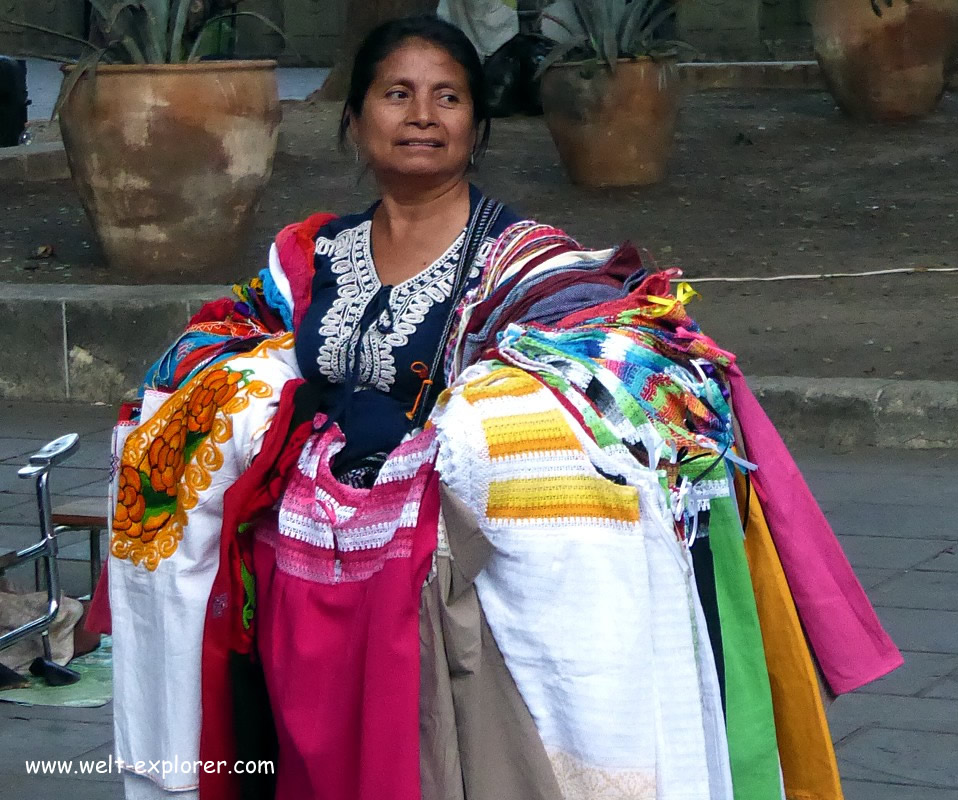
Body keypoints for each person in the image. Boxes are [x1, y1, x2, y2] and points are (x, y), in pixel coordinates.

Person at [93, 15, 901, 800]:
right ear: (355, 117)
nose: (421, 115)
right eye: (397, 93)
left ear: (477, 128)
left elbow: (613, 348)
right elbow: (218, 346)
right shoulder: (310, 255)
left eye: (448, 97)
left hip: (439, 574)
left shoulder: (521, 257)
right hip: (298, 571)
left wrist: (466, 426)